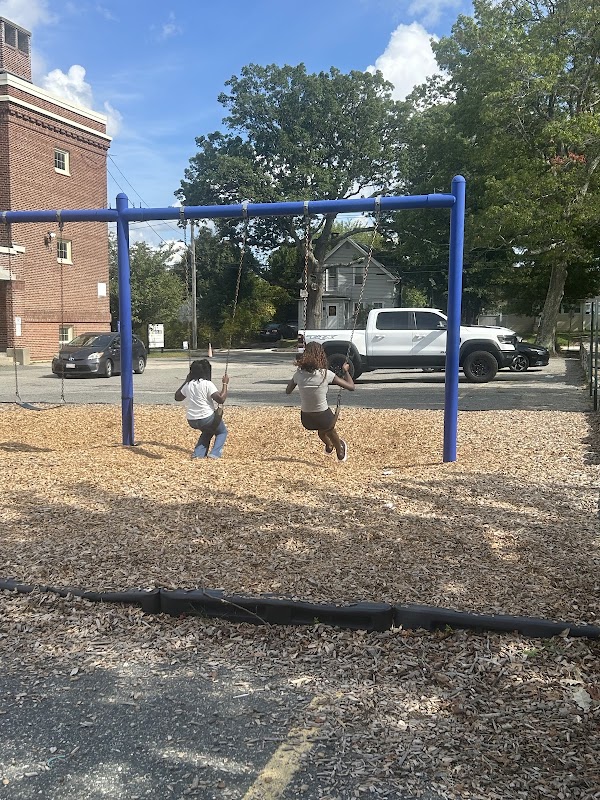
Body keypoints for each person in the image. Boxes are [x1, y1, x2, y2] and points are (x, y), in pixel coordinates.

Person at [286, 341, 355, 461]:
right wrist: (346, 371)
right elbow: (351, 387)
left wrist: (300, 379)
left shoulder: (298, 375)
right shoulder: (325, 374)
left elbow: (288, 391)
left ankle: (329, 445)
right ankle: (340, 450)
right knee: (329, 428)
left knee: (321, 431)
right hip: (324, 417)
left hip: (306, 419)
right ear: (321, 356)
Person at [175, 359, 229, 459]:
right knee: (222, 431)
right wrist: (225, 384)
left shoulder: (189, 384)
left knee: (208, 431)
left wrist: (186, 381)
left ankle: (198, 454)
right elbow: (221, 399)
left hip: (192, 420)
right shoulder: (207, 384)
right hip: (206, 418)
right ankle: (215, 454)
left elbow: (177, 397)